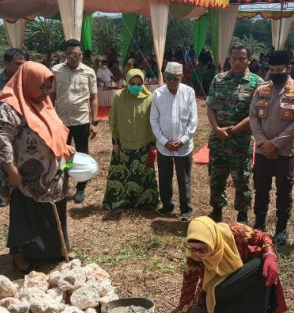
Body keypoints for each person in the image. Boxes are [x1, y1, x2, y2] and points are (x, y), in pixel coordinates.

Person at [0, 61, 75, 273]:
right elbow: (2, 140)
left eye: (49, 88)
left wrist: (64, 148)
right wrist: (12, 171)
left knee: (53, 211)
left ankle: (56, 249)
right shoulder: (10, 106)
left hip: (53, 174)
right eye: (42, 87)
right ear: (28, 82)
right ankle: (21, 255)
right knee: (25, 214)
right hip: (26, 177)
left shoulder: (44, 103)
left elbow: (53, 130)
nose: (46, 92)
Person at [170, 216, 287, 313]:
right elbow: (188, 288)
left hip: (244, 272)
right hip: (220, 286)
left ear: (213, 241)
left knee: (263, 265)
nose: (199, 255)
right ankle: (245, 311)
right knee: (218, 293)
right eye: (193, 249)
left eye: (203, 249)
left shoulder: (236, 232)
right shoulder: (194, 256)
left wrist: (269, 253)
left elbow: (263, 237)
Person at [249, 51, 294, 246]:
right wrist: (262, 143)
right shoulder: (261, 90)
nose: (274, 73)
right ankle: (259, 225)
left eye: (279, 70)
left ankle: (281, 230)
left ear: (288, 69)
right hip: (262, 151)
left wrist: (273, 144)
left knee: (284, 192)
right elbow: (253, 117)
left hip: (285, 152)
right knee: (261, 190)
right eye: (271, 70)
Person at [206, 44, 264, 223]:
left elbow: (256, 115)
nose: (237, 62)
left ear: (249, 60)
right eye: (234, 58)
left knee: (242, 180)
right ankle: (217, 211)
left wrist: (232, 130)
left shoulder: (257, 83)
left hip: (240, 142)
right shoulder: (219, 79)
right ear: (229, 59)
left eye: (241, 59)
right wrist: (216, 129)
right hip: (218, 140)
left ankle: (242, 216)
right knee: (216, 177)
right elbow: (210, 106)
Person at [103, 69, 158, 211]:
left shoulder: (150, 98)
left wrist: (152, 144)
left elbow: (153, 123)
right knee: (121, 174)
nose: (135, 86)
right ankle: (119, 202)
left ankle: (144, 202)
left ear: (143, 83)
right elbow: (113, 120)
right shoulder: (119, 97)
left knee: (143, 173)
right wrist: (115, 143)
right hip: (123, 143)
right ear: (127, 82)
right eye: (132, 83)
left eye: (139, 83)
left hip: (143, 143)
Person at [51, 39, 98, 204]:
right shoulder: (56, 71)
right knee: (62, 155)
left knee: (82, 154)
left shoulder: (89, 72)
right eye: (71, 54)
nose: (75, 57)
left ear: (81, 55)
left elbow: (93, 98)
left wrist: (94, 122)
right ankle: (62, 186)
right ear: (65, 54)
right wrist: (50, 119)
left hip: (82, 121)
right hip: (61, 122)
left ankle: (80, 188)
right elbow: (51, 96)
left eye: (78, 54)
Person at [150, 62, 198, 221]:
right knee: (164, 176)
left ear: (181, 77)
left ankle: (185, 210)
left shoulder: (189, 92)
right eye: (168, 78)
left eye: (175, 79)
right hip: (164, 146)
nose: (171, 82)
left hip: (183, 146)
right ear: (164, 77)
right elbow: (154, 121)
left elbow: (193, 120)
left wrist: (183, 140)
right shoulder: (157, 94)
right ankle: (167, 205)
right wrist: (164, 141)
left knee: (184, 178)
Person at [0, 48, 25, 207]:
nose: (20, 66)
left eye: (22, 63)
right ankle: (1, 194)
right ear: (6, 63)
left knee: (19, 159)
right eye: (16, 63)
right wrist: (4, 116)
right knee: (3, 160)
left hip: (22, 128)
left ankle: (17, 191)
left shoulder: (25, 79)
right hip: (4, 128)